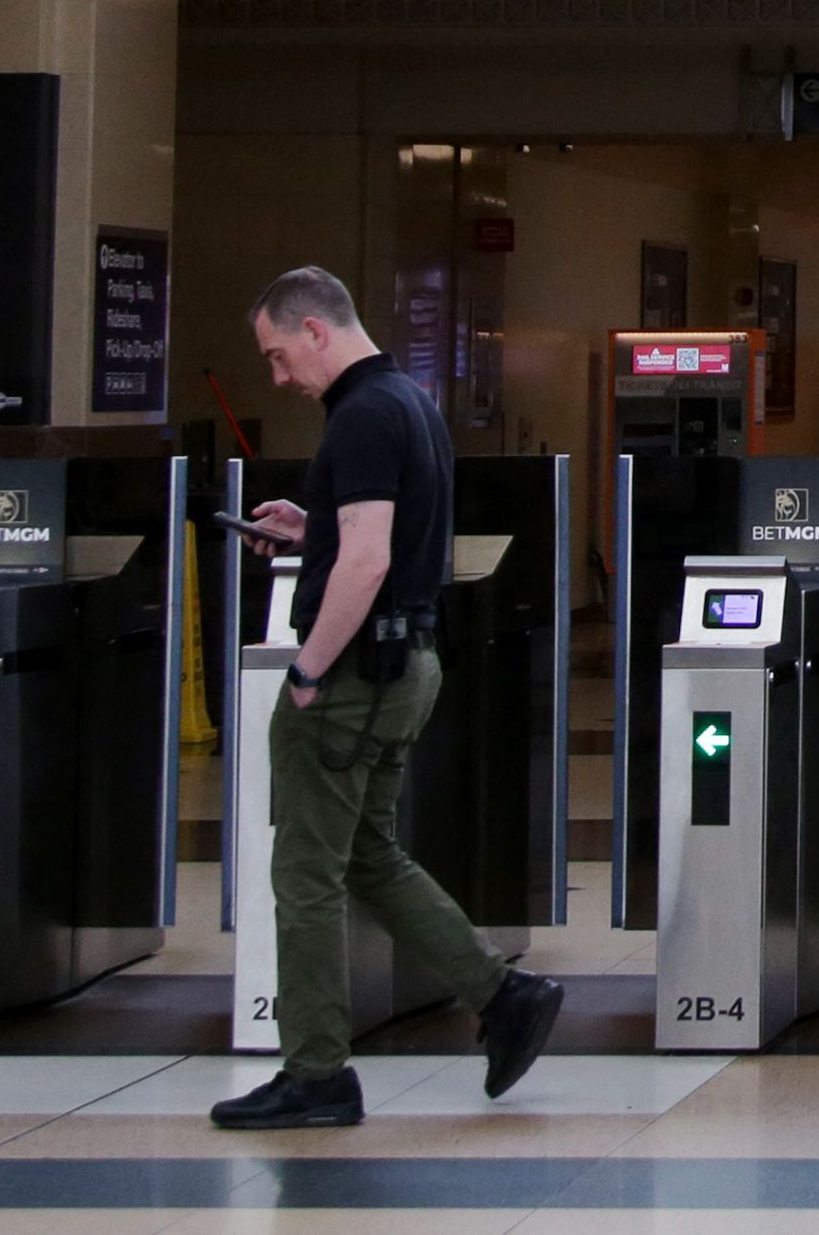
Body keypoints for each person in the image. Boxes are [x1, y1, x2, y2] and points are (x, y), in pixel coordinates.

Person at [211, 266, 563, 1129]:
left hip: (356, 674)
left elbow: (368, 562)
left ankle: (317, 1071)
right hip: (408, 664)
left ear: (315, 330)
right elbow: (374, 535)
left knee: (304, 873)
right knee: (368, 854)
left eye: (277, 353)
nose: (278, 375)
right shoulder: (407, 400)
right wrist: (313, 524)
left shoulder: (363, 416)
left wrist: (306, 671)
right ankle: (503, 992)